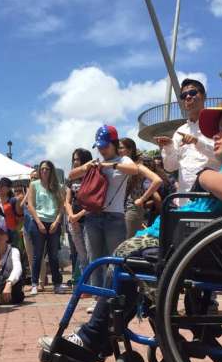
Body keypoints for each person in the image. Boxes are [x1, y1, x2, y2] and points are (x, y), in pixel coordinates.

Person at [41, 97, 222, 362]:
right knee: (128, 258)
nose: (216, 134)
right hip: (210, 241)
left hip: (217, 247)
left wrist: (204, 175)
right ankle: (111, 333)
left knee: (129, 261)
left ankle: (94, 336)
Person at [68, 126, 138, 291]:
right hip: (93, 216)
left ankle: (114, 293)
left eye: (105, 146)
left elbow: (134, 170)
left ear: (114, 144)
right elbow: (71, 175)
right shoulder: (95, 162)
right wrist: (86, 167)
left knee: (114, 259)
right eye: (99, 146)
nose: (102, 149)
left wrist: (111, 166)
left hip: (115, 217)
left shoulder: (123, 161)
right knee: (94, 259)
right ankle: (98, 296)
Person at [153, 79, 219, 194]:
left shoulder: (217, 124)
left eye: (193, 93)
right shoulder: (180, 131)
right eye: (184, 95)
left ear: (204, 96)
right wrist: (168, 147)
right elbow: (170, 167)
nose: (188, 97)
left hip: (212, 197)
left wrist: (197, 142)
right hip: (185, 199)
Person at [26, 160, 67, 295]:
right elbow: (30, 205)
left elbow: (62, 207)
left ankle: (57, 283)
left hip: (53, 222)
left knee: (54, 255)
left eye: (47, 169)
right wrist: (39, 223)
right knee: (38, 255)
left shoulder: (59, 186)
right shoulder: (34, 185)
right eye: (42, 169)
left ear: (51, 171)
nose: (44, 171)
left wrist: (56, 222)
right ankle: (34, 283)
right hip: (38, 221)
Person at [118, 138, 163, 237]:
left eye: (121, 148)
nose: (118, 150)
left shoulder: (138, 166)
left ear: (130, 150)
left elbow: (157, 181)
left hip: (132, 208)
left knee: (127, 243)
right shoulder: (122, 165)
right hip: (121, 209)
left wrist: (142, 199)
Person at [65, 149, 93, 282]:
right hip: (74, 221)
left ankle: (93, 283)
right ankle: (85, 283)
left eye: (78, 159)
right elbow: (67, 200)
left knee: (90, 253)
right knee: (81, 255)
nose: (76, 162)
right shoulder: (72, 178)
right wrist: (71, 215)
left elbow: (94, 201)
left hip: (89, 219)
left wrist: (79, 215)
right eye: (74, 159)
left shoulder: (93, 176)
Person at [0, 177, 23, 248]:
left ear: (9, 189)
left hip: (11, 232)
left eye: (2, 186)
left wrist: (15, 229)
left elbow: (20, 217)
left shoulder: (13, 200)